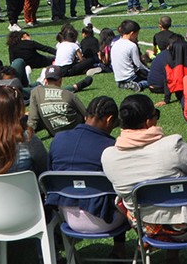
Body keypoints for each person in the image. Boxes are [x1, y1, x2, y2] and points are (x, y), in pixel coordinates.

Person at [101, 94, 187, 246]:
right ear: (149, 122)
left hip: (145, 229)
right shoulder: (172, 146)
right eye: (157, 115)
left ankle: (171, 257)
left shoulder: (108, 157)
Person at [47, 97, 128, 257]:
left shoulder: (58, 140)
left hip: (66, 217)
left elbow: (50, 181)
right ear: (110, 119)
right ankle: (119, 249)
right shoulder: (112, 147)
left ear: (86, 116)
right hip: (105, 219)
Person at [28, 65, 88, 137]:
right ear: (60, 80)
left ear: (45, 80)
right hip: (75, 129)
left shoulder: (36, 92)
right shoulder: (68, 94)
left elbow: (33, 120)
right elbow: (86, 115)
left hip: (54, 131)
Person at [111, 20, 150, 91]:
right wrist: (149, 71)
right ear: (132, 33)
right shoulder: (132, 45)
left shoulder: (115, 44)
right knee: (155, 81)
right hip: (131, 76)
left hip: (118, 78)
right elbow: (138, 65)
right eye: (136, 34)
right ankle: (139, 84)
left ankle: (125, 84)